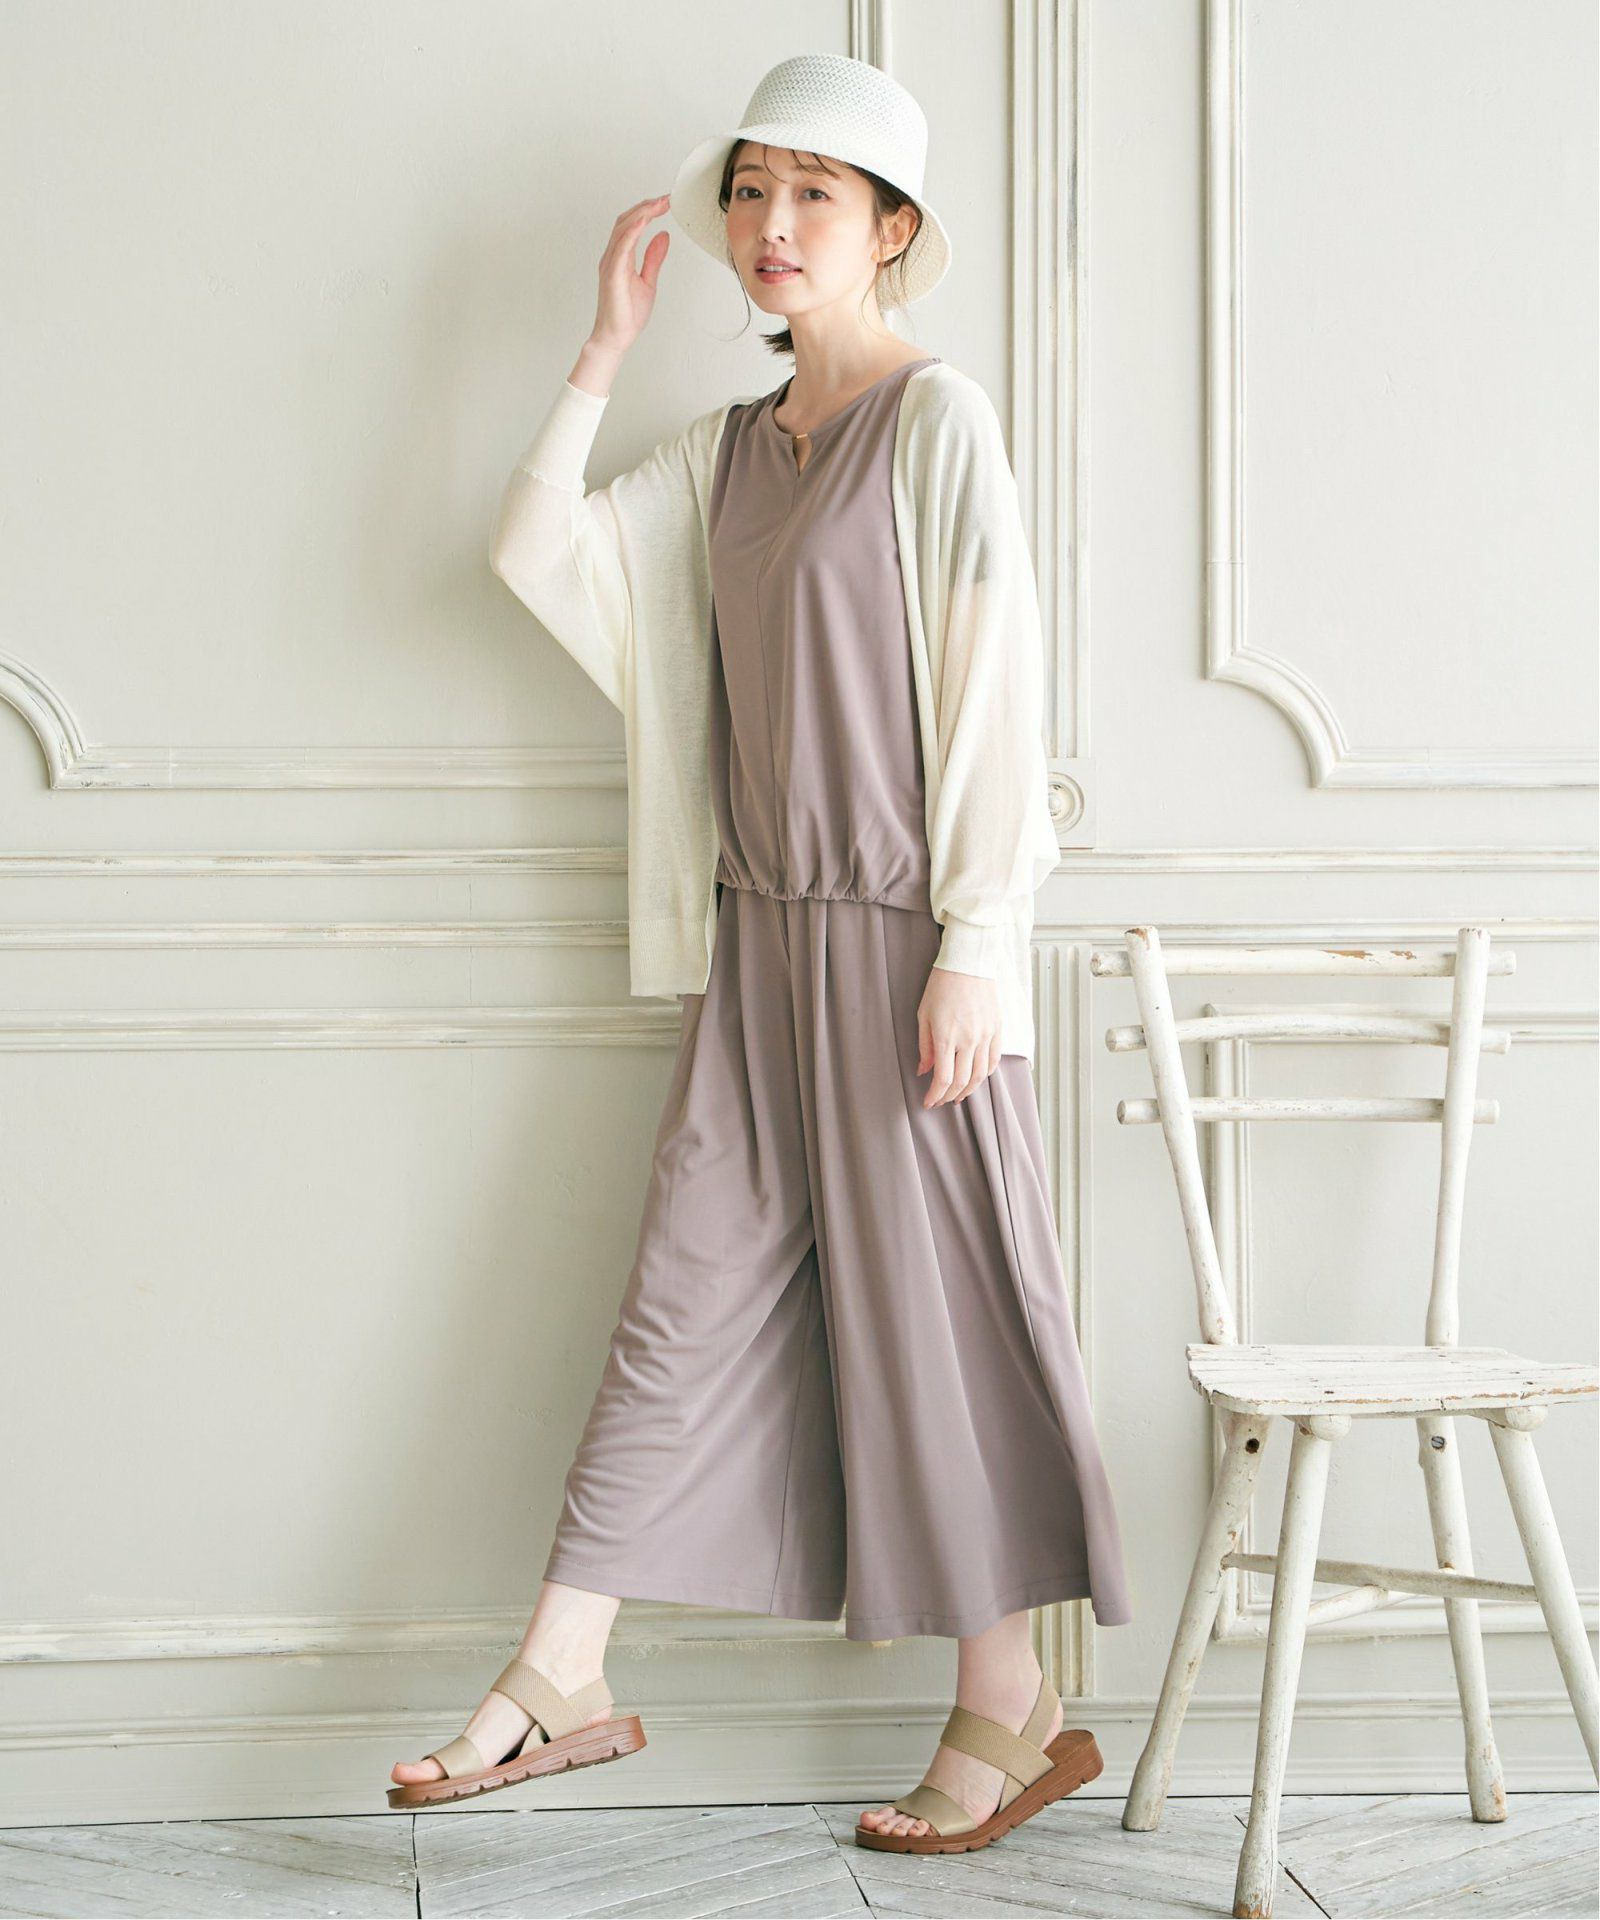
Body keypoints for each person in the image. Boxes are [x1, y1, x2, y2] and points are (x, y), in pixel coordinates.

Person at [388, 52, 1130, 1854]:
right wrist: (602, 350)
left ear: (892, 229)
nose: (770, 224)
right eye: (749, 190)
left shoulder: (939, 423)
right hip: (760, 948)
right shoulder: (724, 451)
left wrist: (976, 942)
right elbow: (538, 554)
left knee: (941, 1323)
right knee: (683, 1296)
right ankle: (559, 1672)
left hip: (910, 948)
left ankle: (1009, 1705)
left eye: (814, 194)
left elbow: (997, 697)